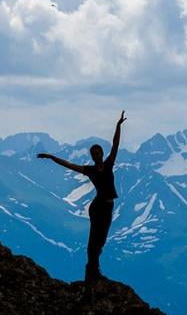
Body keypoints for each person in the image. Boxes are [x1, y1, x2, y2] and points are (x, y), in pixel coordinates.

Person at [38, 111, 126, 284]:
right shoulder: (90, 170)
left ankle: (94, 268)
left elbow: (115, 145)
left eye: (98, 153)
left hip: (108, 207)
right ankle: (92, 270)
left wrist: (118, 126)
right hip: (99, 207)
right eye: (93, 154)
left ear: (101, 154)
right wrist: (52, 157)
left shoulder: (108, 165)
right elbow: (69, 165)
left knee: (100, 239)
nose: (96, 156)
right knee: (94, 239)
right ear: (92, 156)